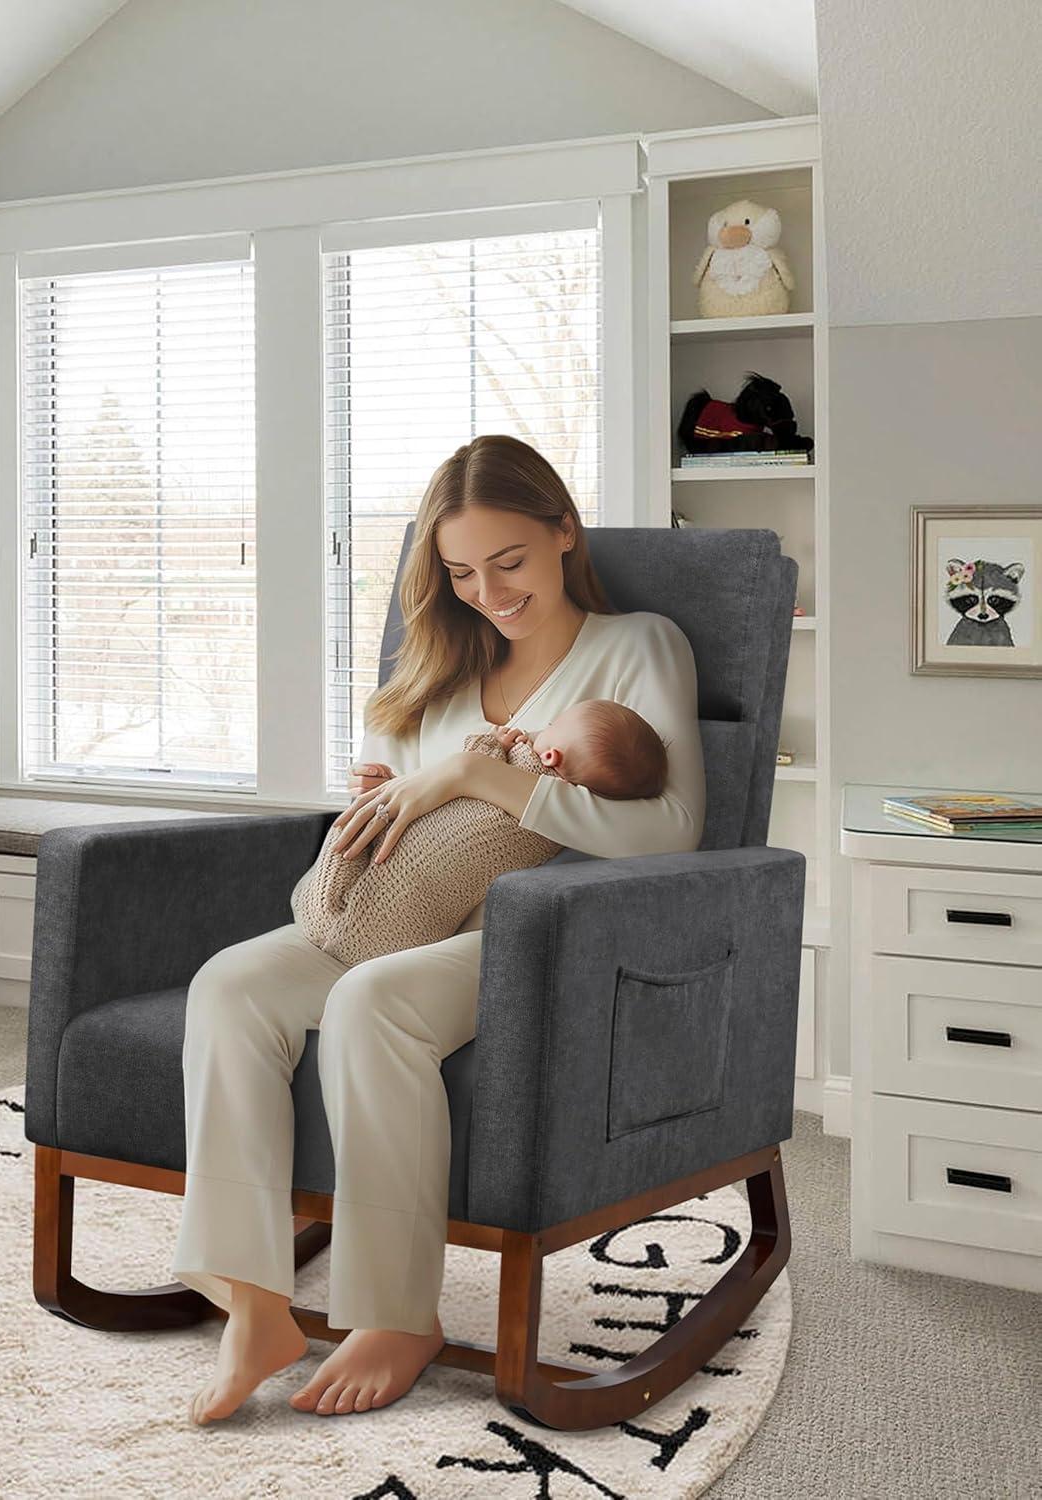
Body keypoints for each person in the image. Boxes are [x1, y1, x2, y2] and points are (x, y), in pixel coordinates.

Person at [172, 433, 707, 1426]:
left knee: (377, 1003)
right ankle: (255, 1307)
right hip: (394, 911)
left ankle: (395, 1316)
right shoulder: (439, 665)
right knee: (230, 986)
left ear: (562, 532)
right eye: (462, 572)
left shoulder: (637, 646)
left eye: (509, 562)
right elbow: (394, 801)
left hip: (547, 927)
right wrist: (377, 795)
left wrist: (477, 775)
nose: (490, 591)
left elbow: (671, 834)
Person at [291, 699, 670, 965]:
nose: (538, 730)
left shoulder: (526, 775)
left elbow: (471, 768)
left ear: (552, 756)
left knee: (359, 839)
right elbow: (446, 806)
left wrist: (492, 742)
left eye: (552, 726)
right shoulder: (555, 827)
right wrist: (398, 782)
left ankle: (326, 906)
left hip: (347, 925)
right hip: (401, 943)